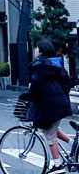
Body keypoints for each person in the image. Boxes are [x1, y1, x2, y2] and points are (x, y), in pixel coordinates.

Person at [22, 37, 72, 172]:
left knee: (50, 136)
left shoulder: (39, 67)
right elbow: (66, 82)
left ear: (41, 51)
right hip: (60, 102)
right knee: (51, 128)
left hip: (52, 105)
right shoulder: (54, 65)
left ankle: (57, 165)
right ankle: (74, 144)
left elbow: (35, 88)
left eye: (37, 48)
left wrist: (26, 96)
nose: (35, 50)